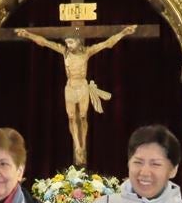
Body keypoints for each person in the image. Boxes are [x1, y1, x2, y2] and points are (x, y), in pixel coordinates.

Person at [15, 24, 138, 165]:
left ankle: (83, 145)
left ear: (78, 41)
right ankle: (77, 145)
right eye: (67, 42)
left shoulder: (86, 52)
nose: (69, 45)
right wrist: (27, 35)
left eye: (71, 42)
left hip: (82, 86)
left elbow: (107, 44)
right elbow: (45, 43)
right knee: (72, 118)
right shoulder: (64, 52)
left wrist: (123, 33)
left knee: (83, 116)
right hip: (70, 87)